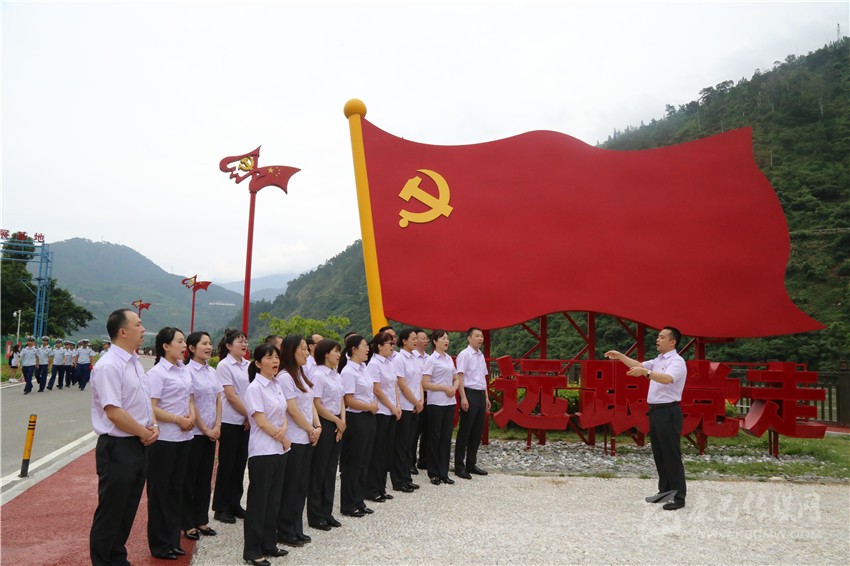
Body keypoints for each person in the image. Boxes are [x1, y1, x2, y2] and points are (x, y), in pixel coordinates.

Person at [89, 309, 158, 566]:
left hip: (138, 443)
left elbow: (144, 402)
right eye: (138, 324)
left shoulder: (135, 363)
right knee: (111, 511)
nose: (143, 329)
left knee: (127, 510)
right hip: (118, 447)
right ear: (122, 331)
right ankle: (103, 561)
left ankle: (118, 559)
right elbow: (113, 411)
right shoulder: (109, 365)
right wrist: (143, 432)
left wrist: (153, 426)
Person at [605, 326, 688, 510]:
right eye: (658, 336)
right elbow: (639, 365)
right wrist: (620, 356)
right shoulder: (659, 360)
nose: (658, 340)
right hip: (656, 411)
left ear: (672, 342)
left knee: (671, 454)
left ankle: (679, 497)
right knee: (660, 453)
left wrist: (646, 374)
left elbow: (667, 379)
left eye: (662, 337)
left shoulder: (677, 361)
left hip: (669, 411)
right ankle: (665, 492)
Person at [147, 327, 195, 560]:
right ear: (165, 346)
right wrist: (178, 420)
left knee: (176, 490)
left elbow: (189, 398)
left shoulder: (183, 369)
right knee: (160, 492)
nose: (184, 345)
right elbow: (151, 407)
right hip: (164, 439)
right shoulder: (157, 373)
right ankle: (159, 544)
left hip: (184, 437)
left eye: (184, 341)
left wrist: (191, 417)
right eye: (180, 341)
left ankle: (173, 540)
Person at [243, 343, 290, 566]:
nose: (275, 361)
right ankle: (252, 551)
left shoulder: (277, 384)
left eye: (276, 357)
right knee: (258, 502)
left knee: (273, 500)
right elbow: (260, 421)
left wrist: (283, 431)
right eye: (269, 357)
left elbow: (283, 413)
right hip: (262, 450)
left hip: (278, 449)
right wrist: (282, 437)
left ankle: (269, 543)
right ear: (258, 363)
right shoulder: (255, 388)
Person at [276, 335, 321, 547]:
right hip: (294, 438)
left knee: (301, 486)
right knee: (291, 486)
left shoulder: (301, 374)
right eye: (302, 349)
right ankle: (285, 530)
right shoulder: (285, 377)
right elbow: (293, 410)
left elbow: (310, 403)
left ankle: (296, 527)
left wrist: (317, 426)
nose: (306, 352)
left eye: (306, 348)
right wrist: (311, 429)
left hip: (306, 436)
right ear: (291, 351)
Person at [182, 331, 222, 541]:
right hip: (195, 433)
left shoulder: (212, 371)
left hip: (211, 432)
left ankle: (201, 519)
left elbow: (218, 399)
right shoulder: (187, 372)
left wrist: (217, 425)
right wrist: (206, 429)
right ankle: (187, 523)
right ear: (191, 348)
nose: (208, 347)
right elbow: (192, 404)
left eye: (209, 343)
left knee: (205, 478)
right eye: (204, 343)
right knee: (190, 478)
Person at [212, 329, 251, 524]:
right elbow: (231, 395)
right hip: (230, 420)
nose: (244, 344)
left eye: (245, 341)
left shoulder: (248, 365)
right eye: (240, 341)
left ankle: (235, 503)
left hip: (246, 421)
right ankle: (221, 507)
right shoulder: (224, 365)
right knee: (227, 464)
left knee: (240, 464)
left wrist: (250, 417)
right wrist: (250, 415)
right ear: (229, 346)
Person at [306, 339, 346, 531]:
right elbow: (316, 404)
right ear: (325, 354)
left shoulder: (336, 374)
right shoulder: (318, 374)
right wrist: (336, 421)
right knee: (319, 469)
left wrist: (342, 421)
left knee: (330, 469)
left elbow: (342, 400)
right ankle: (315, 515)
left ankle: (327, 511)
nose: (339, 355)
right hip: (325, 422)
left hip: (338, 422)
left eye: (339, 351)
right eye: (335, 351)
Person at [338, 334, 378, 518]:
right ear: (354, 349)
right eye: (364, 346)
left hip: (368, 416)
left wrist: (372, 404)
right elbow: (348, 400)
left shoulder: (364, 368)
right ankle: (348, 503)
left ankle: (359, 500)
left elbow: (370, 391)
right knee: (353, 462)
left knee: (364, 461)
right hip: (356, 418)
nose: (368, 349)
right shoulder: (348, 371)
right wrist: (369, 406)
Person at [366, 332, 401, 502]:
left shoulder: (390, 363)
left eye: (393, 343)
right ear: (379, 346)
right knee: (378, 452)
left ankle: (381, 487)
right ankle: (372, 489)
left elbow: (395, 386)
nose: (392, 346)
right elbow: (377, 390)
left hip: (392, 411)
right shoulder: (374, 364)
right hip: (381, 412)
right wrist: (392, 407)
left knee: (387, 451)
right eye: (389, 343)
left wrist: (398, 405)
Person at [422, 330, 460, 485]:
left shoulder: (449, 359)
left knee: (446, 437)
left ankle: (444, 472)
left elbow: (456, 378)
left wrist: (454, 388)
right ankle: (433, 472)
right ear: (435, 341)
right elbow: (425, 383)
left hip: (450, 402)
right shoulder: (431, 360)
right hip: (436, 403)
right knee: (434, 437)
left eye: (447, 338)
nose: (446, 341)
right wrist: (444, 388)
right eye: (443, 338)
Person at [454, 327, 490, 478]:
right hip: (469, 394)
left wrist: (486, 397)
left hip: (480, 394)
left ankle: (471, 464)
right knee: (465, 431)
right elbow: (460, 377)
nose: (480, 338)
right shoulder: (465, 354)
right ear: (469, 338)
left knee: (477, 431)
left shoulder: (480, 355)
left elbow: (483, 378)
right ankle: (459, 466)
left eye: (481, 336)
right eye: (477, 336)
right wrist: (463, 397)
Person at [390, 328, 423, 492]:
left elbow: (419, 382)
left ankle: (407, 477)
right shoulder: (399, 359)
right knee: (401, 444)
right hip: (404, 406)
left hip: (415, 406)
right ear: (404, 341)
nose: (416, 341)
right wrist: (416, 402)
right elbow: (402, 385)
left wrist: (420, 401)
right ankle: (398, 480)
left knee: (410, 443)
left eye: (417, 338)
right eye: (413, 338)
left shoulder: (415, 358)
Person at [412, 329, 430, 471]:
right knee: (414, 431)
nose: (426, 341)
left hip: (429, 395)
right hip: (416, 396)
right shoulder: (411, 357)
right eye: (423, 338)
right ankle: (410, 461)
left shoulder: (429, 358)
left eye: (427, 338)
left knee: (427, 429)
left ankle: (423, 460)